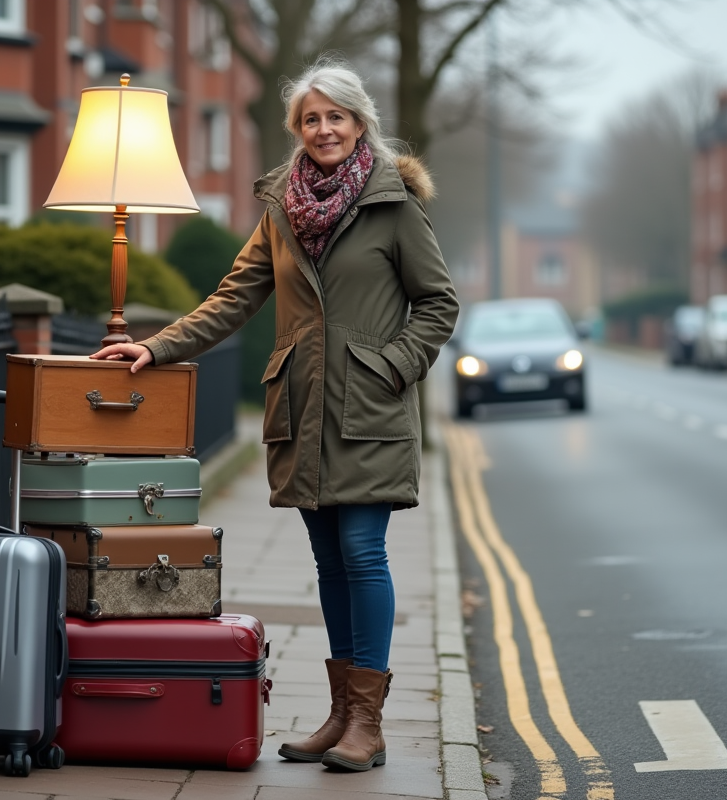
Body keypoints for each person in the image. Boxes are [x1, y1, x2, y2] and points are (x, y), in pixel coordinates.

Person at [91, 58, 459, 772]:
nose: (324, 130)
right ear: (299, 129)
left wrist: (392, 365)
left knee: (362, 553)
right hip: (303, 409)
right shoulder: (281, 208)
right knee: (327, 563)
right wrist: (156, 346)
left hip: (369, 410)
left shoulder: (394, 205)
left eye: (337, 118)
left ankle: (368, 724)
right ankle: (342, 715)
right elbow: (234, 297)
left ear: (360, 125)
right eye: (311, 119)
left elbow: (439, 302)